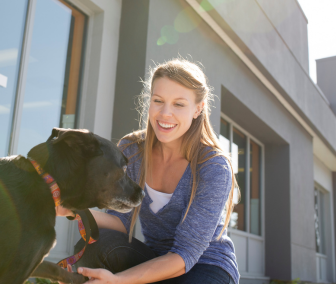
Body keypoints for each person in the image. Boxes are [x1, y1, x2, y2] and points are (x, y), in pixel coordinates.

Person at [56, 58, 239, 284]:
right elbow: (121, 222)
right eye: (158, 100)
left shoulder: (213, 166)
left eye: (179, 104)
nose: (165, 113)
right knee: (99, 244)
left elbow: (186, 253)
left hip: (206, 265)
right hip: (156, 259)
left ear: (198, 109)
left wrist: (119, 280)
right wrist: (71, 208)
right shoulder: (132, 150)